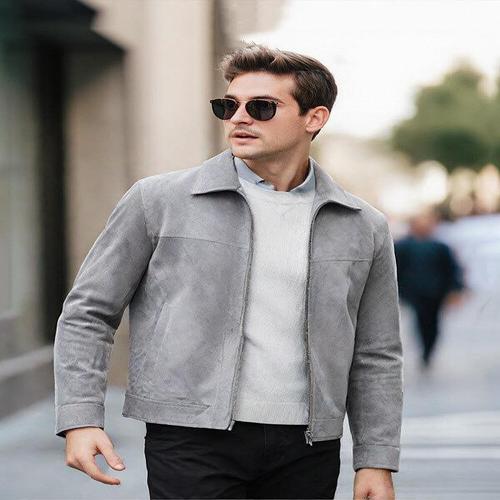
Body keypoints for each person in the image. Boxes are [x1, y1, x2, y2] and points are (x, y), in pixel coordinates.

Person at [54, 43, 403, 500]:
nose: (239, 118)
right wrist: (80, 417)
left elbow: (376, 352)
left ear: (314, 118)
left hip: (308, 446)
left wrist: (375, 459)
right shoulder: (158, 201)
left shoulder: (362, 225)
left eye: (261, 107)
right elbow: (89, 313)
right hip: (190, 438)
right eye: (228, 106)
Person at [394, 207, 466, 370]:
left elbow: (452, 269)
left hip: (436, 293)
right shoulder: (402, 246)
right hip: (414, 292)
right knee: (421, 321)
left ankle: (429, 349)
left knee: (433, 322)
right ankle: (425, 350)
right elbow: (394, 269)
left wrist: (455, 290)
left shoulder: (440, 247)